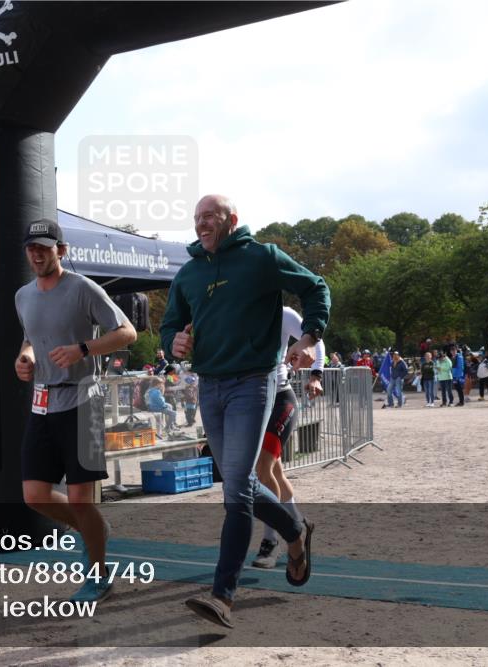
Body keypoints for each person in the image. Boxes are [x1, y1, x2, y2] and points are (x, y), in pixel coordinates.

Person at [160, 194, 327, 628]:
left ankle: (222, 596)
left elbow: (316, 288)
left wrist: (308, 340)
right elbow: (169, 325)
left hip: (254, 382)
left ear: (232, 220)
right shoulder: (189, 273)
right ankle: (294, 531)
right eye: (197, 218)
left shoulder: (262, 257)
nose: (202, 224)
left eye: (210, 217)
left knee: (235, 490)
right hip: (209, 386)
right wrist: (172, 343)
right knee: (242, 483)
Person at [14, 218, 136, 604]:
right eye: (31, 248)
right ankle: (94, 530)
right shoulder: (23, 296)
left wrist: (83, 349)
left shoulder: (83, 288)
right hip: (42, 401)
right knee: (34, 495)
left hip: (84, 401)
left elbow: (127, 332)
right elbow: (30, 339)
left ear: (61, 251)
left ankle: (97, 577)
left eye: (44, 248)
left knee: (82, 500)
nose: (36, 254)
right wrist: (25, 357)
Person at [252, 306, 325, 568]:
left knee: (263, 470)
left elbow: (318, 341)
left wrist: (316, 375)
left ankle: (270, 542)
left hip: (281, 398)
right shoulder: (233, 308)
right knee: (276, 474)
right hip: (252, 401)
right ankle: (300, 523)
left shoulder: (282, 313)